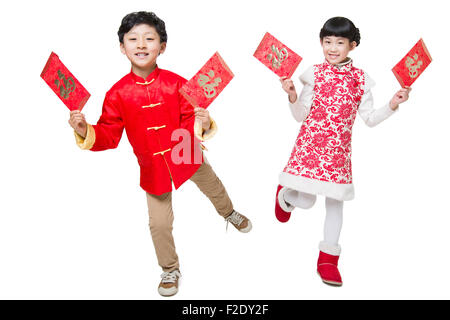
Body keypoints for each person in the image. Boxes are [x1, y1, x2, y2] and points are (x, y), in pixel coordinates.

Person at [68, 11, 252, 297]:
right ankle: (169, 268)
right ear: (122, 47)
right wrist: (83, 128)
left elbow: (190, 114)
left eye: (149, 38)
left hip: (185, 149)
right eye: (133, 39)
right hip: (152, 165)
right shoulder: (116, 93)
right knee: (159, 223)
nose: (141, 45)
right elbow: (108, 134)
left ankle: (228, 213)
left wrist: (202, 123)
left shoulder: (177, 82)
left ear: (162, 46)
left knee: (213, 186)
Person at [275, 17, 411, 286]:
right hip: (310, 149)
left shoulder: (360, 80)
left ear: (353, 45)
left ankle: (327, 260)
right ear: (321, 43)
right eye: (327, 42)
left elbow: (370, 119)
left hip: (337, 155)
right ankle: (286, 195)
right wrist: (292, 94)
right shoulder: (314, 74)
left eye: (339, 42)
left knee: (335, 204)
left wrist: (393, 104)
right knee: (308, 200)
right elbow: (300, 115)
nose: (333, 48)